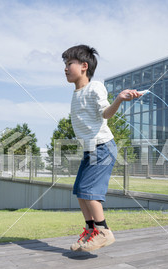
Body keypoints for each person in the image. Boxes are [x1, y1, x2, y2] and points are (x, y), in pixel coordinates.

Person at [62, 44, 142, 252]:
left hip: (103, 148)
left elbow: (105, 113)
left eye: (69, 63)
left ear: (84, 66)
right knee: (80, 190)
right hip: (90, 150)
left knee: (89, 191)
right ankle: (91, 231)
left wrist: (119, 99)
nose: (65, 68)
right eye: (65, 64)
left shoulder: (94, 87)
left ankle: (104, 231)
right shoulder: (76, 93)